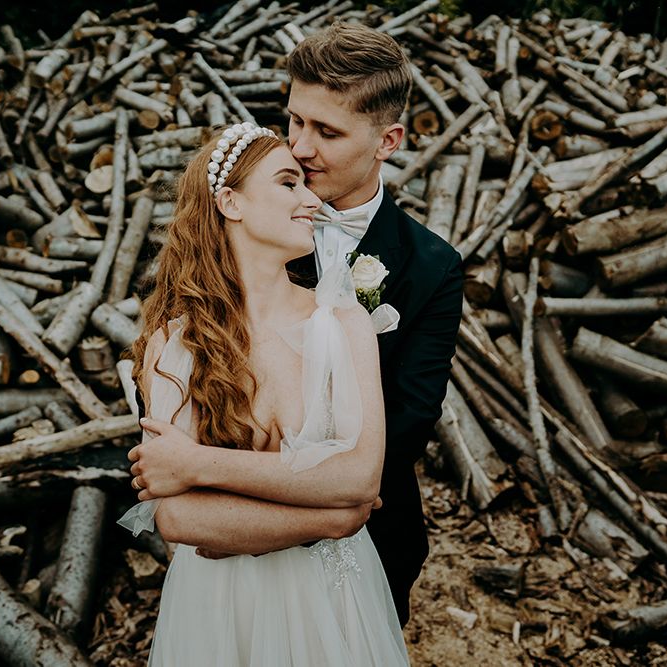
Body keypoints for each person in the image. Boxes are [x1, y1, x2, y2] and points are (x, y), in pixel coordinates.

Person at [127, 22, 463, 628]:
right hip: (225, 549)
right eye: (296, 121)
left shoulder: (431, 267)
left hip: (363, 549)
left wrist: (317, 508)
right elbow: (175, 419)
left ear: (387, 140)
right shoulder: (256, 222)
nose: (302, 148)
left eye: (327, 131)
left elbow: (408, 420)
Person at [119, 122, 410, 665]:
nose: (310, 199)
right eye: (288, 183)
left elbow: (359, 476)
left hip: (336, 602)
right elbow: (178, 520)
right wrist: (329, 520)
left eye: (305, 184)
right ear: (231, 202)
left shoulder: (343, 322)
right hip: (220, 606)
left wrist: (196, 463)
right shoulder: (174, 344)